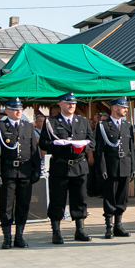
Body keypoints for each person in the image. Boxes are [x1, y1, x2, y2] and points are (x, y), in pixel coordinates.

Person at [39, 92, 94, 244]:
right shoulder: (51, 122)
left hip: (79, 165)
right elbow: (43, 143)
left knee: (80, 199)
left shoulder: (82, 121)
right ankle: (56, 231)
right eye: (68, 103)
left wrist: (83, 145)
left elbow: (92, 140)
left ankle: (80, 229)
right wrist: (55, 144)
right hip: (60, 165)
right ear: (60, 104)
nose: (71, 106)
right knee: (57, 199)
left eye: (74, 103)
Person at [0, 98, 42, 248]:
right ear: (7, 111)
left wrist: (36, 169)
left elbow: (33, 150)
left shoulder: (27, 127)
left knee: (23, 205)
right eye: (14, 109)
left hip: (25, 172)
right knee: (6, 206)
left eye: (20, 109)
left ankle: (19, 236)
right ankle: (7, 237)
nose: (18, 111)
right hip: (8, 171)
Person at [94, 97, 135, 239]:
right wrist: (102, 169)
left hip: (125, 165)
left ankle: (118, 225)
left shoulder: (127, 126)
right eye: (123, 107)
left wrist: (133, 167)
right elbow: (99, 151)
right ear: (114, 108)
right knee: (109, 197)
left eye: (126, 107)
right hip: (111, 166)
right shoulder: (103, 126)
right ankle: (109, 226)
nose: (126, 109)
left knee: (122, 198)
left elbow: (131, 149)